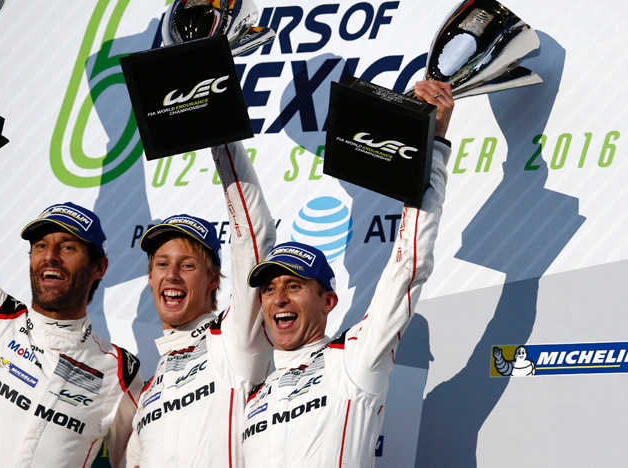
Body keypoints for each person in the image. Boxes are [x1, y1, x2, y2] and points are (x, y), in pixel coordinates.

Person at [0, 20, 142, 468]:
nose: (49, 257)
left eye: (68, 247)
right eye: (40, 246)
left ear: (100, 267)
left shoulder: (119, 373)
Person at [240, 82, 454, 467]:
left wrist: (431, 148)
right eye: (269, 289)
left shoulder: (354, 359)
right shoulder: (254, 396)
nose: (279, 299)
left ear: (328, 301)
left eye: (294, 285)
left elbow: (410, 265)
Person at [125, 141, 276, 467]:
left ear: (213, 280)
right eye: (162, 265)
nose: (172, 276)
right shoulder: (149, 392)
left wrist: (221, 139)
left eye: (188, 265)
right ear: (150, 279)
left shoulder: (234, 340)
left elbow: (254, 238)